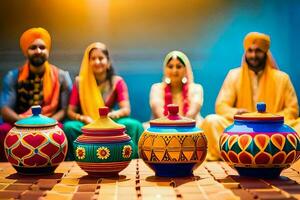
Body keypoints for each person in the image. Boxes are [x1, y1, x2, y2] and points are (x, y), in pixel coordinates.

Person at [201, 32, 300, 161]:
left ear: (265, 53)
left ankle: (242, 155)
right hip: (242, 129)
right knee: (211, 121)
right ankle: (236, 155)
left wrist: (271, 119)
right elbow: (221, 106)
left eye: (258, 51)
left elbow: (292, 110)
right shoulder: (234, 75)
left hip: (273, 129)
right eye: (250, 51)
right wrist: (237, 112)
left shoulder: (282, 78)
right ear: (245, 52)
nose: (253, 55)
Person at [0, 27, 72, 161]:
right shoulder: (13, 76)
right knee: (3, 130)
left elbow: (64, 109)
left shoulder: (61, 76)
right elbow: (5, 109)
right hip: (20, 123)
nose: (38, 51)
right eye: (33, 47)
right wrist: (25, 124)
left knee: (63, 130)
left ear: (48, 51)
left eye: (42, 47)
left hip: (51, 123)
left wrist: (48, 124)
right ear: (26, 51)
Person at [64, 42, 143, 160]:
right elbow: (70, 111)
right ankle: (82, 159)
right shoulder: (80, 82)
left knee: (133, 125)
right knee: (70, 127)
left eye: (101, 58)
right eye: (93, 59)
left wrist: (111, 116)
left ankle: (128, 159)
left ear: (108, 62)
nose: (97, 62)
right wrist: (83, 118)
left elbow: (126, 109)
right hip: (89, 123)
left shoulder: (117, 82)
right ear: (88, 62)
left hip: (110, 121)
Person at [149, 50, 204, 125]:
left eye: (178, 66)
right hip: (163, 127)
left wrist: (181, 129)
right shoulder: (157, 88)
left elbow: (192, 114)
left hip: (190, 128)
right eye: (170, 66)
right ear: (165, 69)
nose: (174, 70)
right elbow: (159, 114)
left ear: (186, 70)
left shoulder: (196, 88)